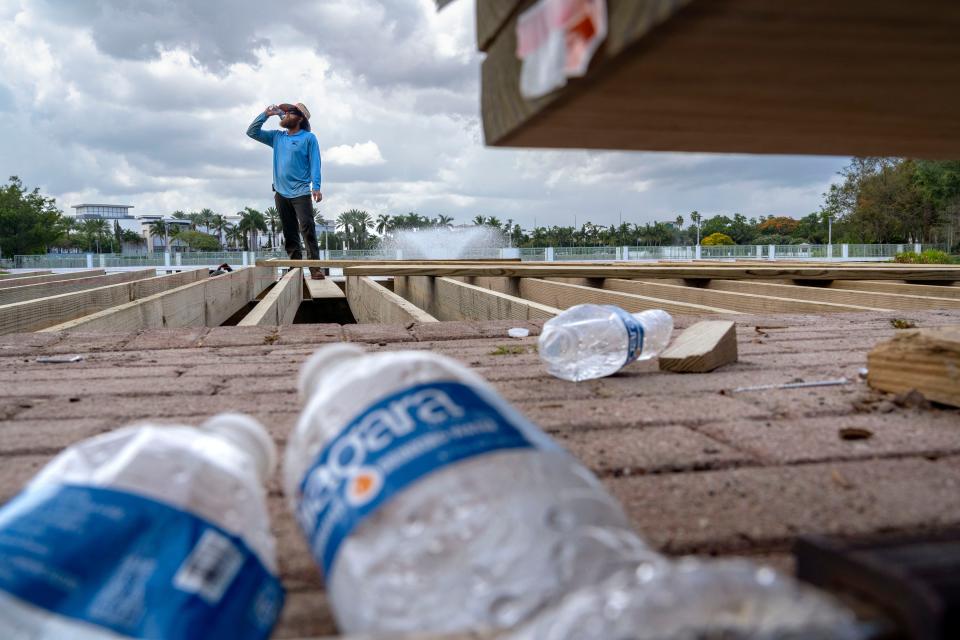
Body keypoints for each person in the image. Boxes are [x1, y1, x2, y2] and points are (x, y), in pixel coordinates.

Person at [246, 102, 325, 279]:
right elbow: (251, 132)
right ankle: (295, 269)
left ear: (300, 118)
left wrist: (317, 187)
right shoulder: (277, 137)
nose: (286, 115)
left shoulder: (309, 138)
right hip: (281, 193)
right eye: (286, 112)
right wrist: (265, 114)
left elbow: (315, 163)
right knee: (290, 232)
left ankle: (315, 268)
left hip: (301, 192)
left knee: (307, 228)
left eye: (291, 113)